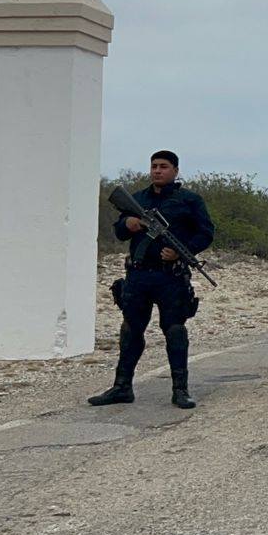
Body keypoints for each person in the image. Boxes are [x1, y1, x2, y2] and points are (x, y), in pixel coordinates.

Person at [89, 151, 215, 410]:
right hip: (138, 275)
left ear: (175, 171)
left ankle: (180, 390)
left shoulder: (189, 200)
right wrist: (130, 224)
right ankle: (122, 386)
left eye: (164, 167)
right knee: (131, 330)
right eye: (154, 166)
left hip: (171, 277)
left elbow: (206, 233)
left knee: (175, 330)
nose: (158, 171)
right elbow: (119, 231)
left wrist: (181, 250)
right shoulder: (138, 199)